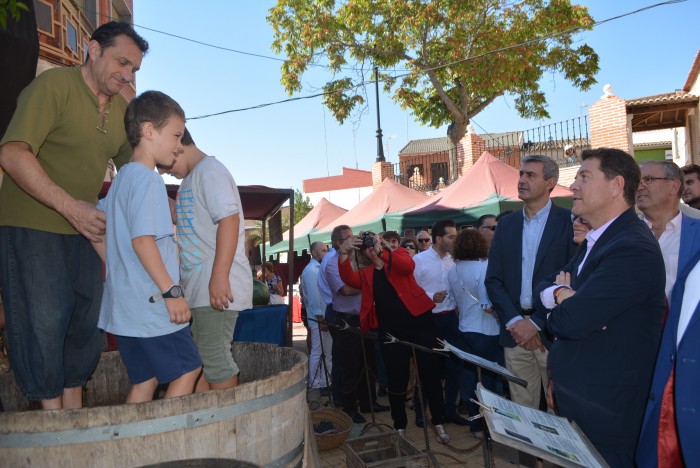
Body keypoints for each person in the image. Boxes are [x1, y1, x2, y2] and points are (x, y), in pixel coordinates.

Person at [0, 21, 148, 409]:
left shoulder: (122, 110)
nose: (127, 74)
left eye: (133, 69)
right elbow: (12, 153)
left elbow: (135, 172)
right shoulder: (52, 87)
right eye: (121, 62)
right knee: (44, 322)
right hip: (31, 224)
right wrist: (70, 207)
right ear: (92, 49)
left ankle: (76, 418)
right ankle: (53, 428)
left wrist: (167, 204)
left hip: (85, 231)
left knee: (87, 322)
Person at [537, 148, 665, 466]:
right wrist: (563, 295)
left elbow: (570, 322)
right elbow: (543, 286)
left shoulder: (631, 248)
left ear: (616, 185)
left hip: (607, 414)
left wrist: (568, 302)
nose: (573, 186)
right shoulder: (600, 241)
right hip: (582, 404)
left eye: (584, 176)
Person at [94, 91, 201, 403]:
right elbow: (143, 241)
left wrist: (117, 268)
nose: (179, 145)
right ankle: (165, 448)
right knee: (187, 370)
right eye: (176, 135)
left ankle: (130, 447)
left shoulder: (121, 181)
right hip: (153, 303)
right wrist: (172, 291)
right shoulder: (148, 180)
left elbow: (96, 231)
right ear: (149, 131)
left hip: (124, 308)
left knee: (146, 380)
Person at [161, 127, 253, 391]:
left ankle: (227, 424)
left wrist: (219, 276)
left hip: (215, 287)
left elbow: (229, 219)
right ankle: (207, 420)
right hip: (200, 289)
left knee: (214, 357)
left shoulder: (210, 171)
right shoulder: (190, 180)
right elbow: (184, 218)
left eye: (165, 165)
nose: (164, 171)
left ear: (177, 144)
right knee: (200, 358)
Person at [485, 155, 576, 416]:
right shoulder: (506, 225)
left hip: (552, 334)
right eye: (521, 174)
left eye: (530, 175)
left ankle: (556, 460)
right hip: (514, 334)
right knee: (522, 413)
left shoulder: (569, 222)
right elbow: (493, 279)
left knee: (558, 411)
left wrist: (535, 323)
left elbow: (572, 281)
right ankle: (527, 458)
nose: (522, 180)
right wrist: (516, 322)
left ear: (550, 182)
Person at [338, 233, 450, 444]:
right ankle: (399, 426)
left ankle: (438, 421)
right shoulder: (368, 273)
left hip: (420, 323)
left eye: (374, 243)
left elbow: (407, 267)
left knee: (430, 375)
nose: (371, 248)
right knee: (396, 379)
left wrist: (382, 248)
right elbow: (348, 279)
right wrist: (343, 252)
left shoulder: (398, 255)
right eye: (368, 247)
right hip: (391, 330)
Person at [636, 209, 700, 467]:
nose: (642, 186)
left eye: (650, 179)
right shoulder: (629, 231)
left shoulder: (694, 234)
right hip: (648, 358)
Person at [322, 225, 387, 423]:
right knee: (350, 366)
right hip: (347, 320)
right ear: (338, 243)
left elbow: (379, 273)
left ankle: (369, 402)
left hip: (365, 317)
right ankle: (349, 408)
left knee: (368, 363)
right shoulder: (333, 264)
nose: (355, 241)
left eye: (355, 237)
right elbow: (345, 290)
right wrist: (371, 285)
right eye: (349, 238)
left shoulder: (361, 257)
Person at [413, 219, 468, 427]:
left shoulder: (454, 260)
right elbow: (411, 289)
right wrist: (429, 295)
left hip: (450, 319)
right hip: (428, 319)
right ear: (438, 239)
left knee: (455, 365)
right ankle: (421, 410)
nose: (455, 240)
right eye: (451, 236)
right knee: (429, 367)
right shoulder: (419, 261)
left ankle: (449, 411)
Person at [448, 229, 500, 438]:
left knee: (469, 379)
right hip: (487, 330)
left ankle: (475, 424)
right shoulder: (484, 267)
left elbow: (453, 302)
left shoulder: (453, 270)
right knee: (490, 382)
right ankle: (490, 426)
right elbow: (488, 305)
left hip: (465, 328)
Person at [636, 160, 698, 301]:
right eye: (637, 181)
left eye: (648, 180)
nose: (639, 187)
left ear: (674, 186)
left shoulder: (697, 233)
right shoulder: (623, 234)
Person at [301, 241, 332, 393]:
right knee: (318, 351)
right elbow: (314, 297)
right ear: (314, 253)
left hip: (322, 317)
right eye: (323, 251)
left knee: (326, 351)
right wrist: (321, 319)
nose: (326, 253)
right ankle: (316, 384)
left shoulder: (318, 269)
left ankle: (325, 381)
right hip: (318, 318)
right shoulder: (311, 271)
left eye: (327, 250)